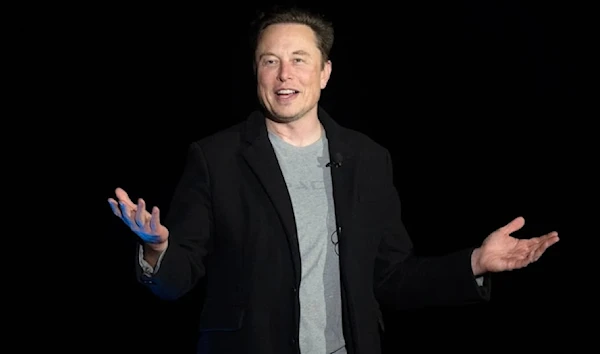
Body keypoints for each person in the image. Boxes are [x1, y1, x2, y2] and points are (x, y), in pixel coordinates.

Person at [108, 6, 559, 354]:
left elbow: (392, 277)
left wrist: (474, 263)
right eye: (271, 60)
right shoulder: (215, 158)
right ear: (257, 72)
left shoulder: (368, 158)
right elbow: (176, 279)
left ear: (324, 73)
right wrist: (157, 250)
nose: (285, 74)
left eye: (300, 59)